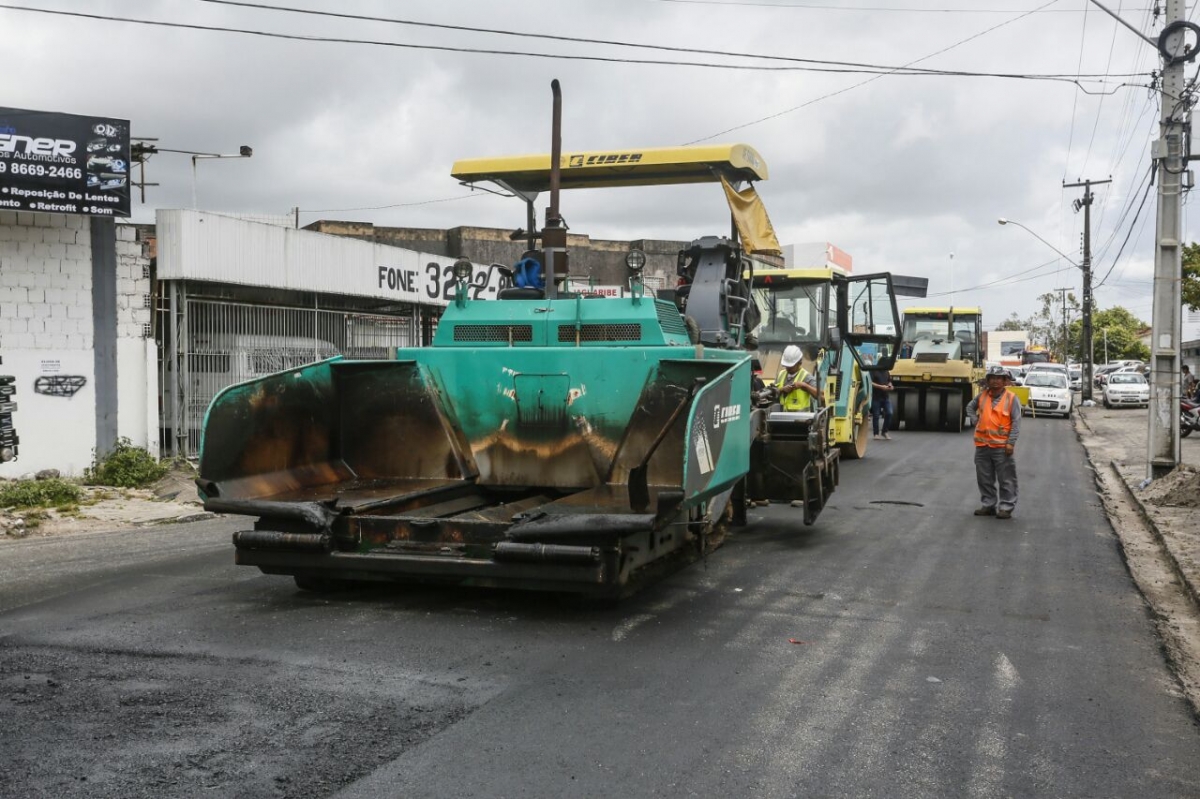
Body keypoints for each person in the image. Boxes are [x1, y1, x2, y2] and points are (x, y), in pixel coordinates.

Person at [965, 365, 1020, 519]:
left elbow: (1016, 422)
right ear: (988, 380)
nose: (995, 381)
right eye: (992, 378)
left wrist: (1011, 442)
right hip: (982, 446)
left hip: (1002, 447)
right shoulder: (982, 396)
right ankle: (988, 505)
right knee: (984, 478)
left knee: (1006, 479)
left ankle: (1006, 507)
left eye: (999, 378)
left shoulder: (1011, 398)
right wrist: (975, 419)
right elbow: (970, 407)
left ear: (1005, 381)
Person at [775, 344, 820, 411]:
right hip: (782, 416)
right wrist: (782, 389)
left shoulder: (806, 376)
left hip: (801, 417)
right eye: (786, 365)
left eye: (791, 366)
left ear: (799, 362)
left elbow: (821, 396)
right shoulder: (781, 375)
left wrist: (804, 386)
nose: (788, 368)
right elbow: (772, 393)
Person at [871, 368, 894, 440]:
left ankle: (884, 431)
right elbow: (870, 382)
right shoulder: (873, 371)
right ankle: (876, 433)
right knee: (876, 415)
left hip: (885, 397)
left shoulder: (886, 371)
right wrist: (881, 387)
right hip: (876, 397)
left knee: (889, 413)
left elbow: (889, 381)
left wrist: (890, 386)